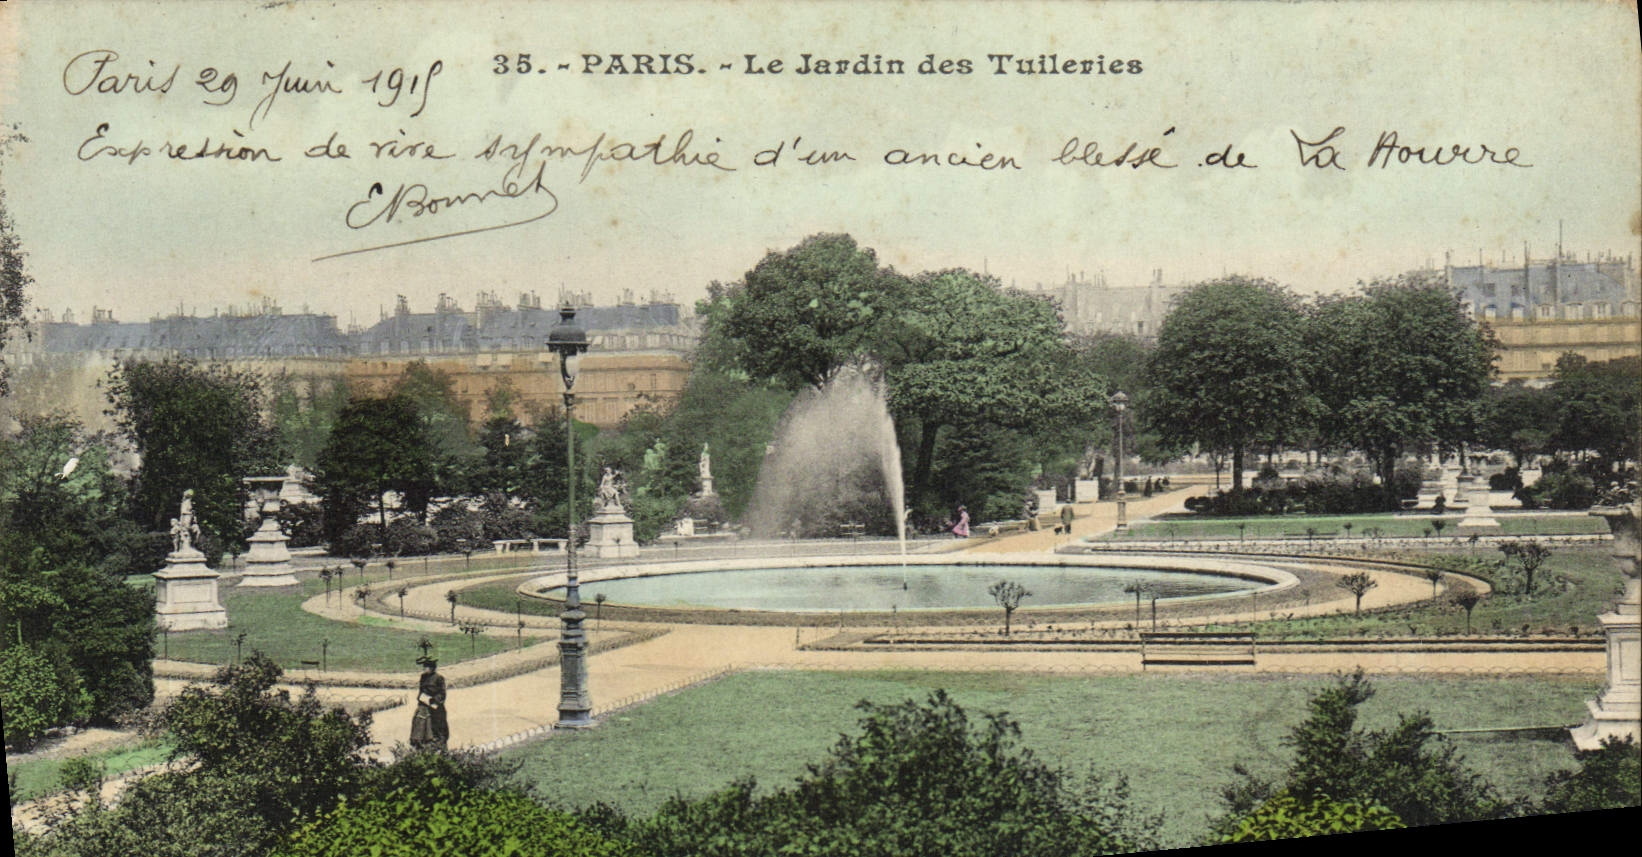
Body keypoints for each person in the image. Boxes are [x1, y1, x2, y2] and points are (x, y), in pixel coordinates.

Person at [410, 656, 449, 751]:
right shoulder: (423, 677)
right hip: (423, 705)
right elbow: (421, 690)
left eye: (426, 667)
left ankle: (439, 746)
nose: (424, 669)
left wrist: (433, 700)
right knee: (419, 724)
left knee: (438, 728)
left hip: (435, 707)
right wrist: (420, 697)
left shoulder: (439, 678)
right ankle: (420, 746)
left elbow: (442, 694)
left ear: (432, 668)